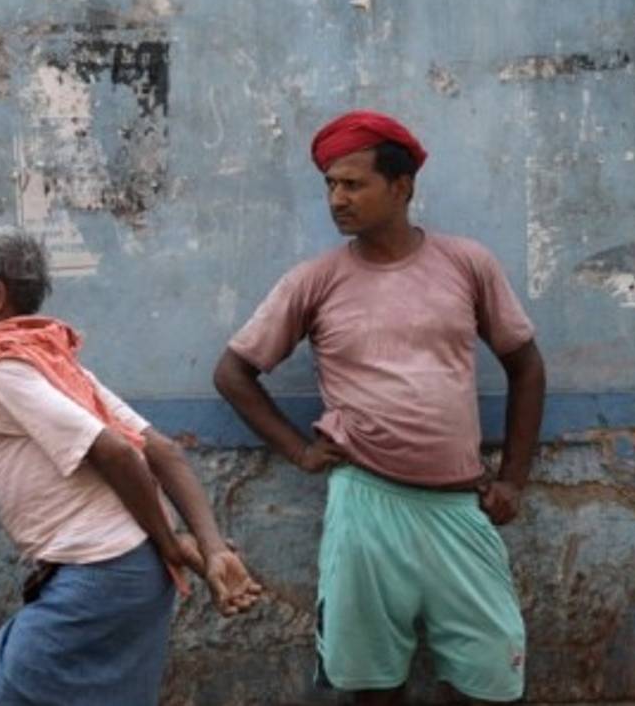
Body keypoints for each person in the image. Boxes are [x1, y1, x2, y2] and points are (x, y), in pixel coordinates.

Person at [213, 110, 547, 705]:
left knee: (491, 675)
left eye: (353, 184)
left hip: (458, 505)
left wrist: (514, 480)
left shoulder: (466, 264)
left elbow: (526, 366)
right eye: (330, 185)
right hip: (365, 502)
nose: (337, 199)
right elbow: (233, 373)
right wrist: (299, 451)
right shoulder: (315, 281)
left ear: (402, 187)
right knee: (371, 683)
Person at [0, 226, 262, 706]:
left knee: (13, 688)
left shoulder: (3, 370)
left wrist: (174, 544)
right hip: (131, 573)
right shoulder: (52, 362)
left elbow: (118, 452)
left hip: (104, 571)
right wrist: (211, 547)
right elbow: (164, 450)